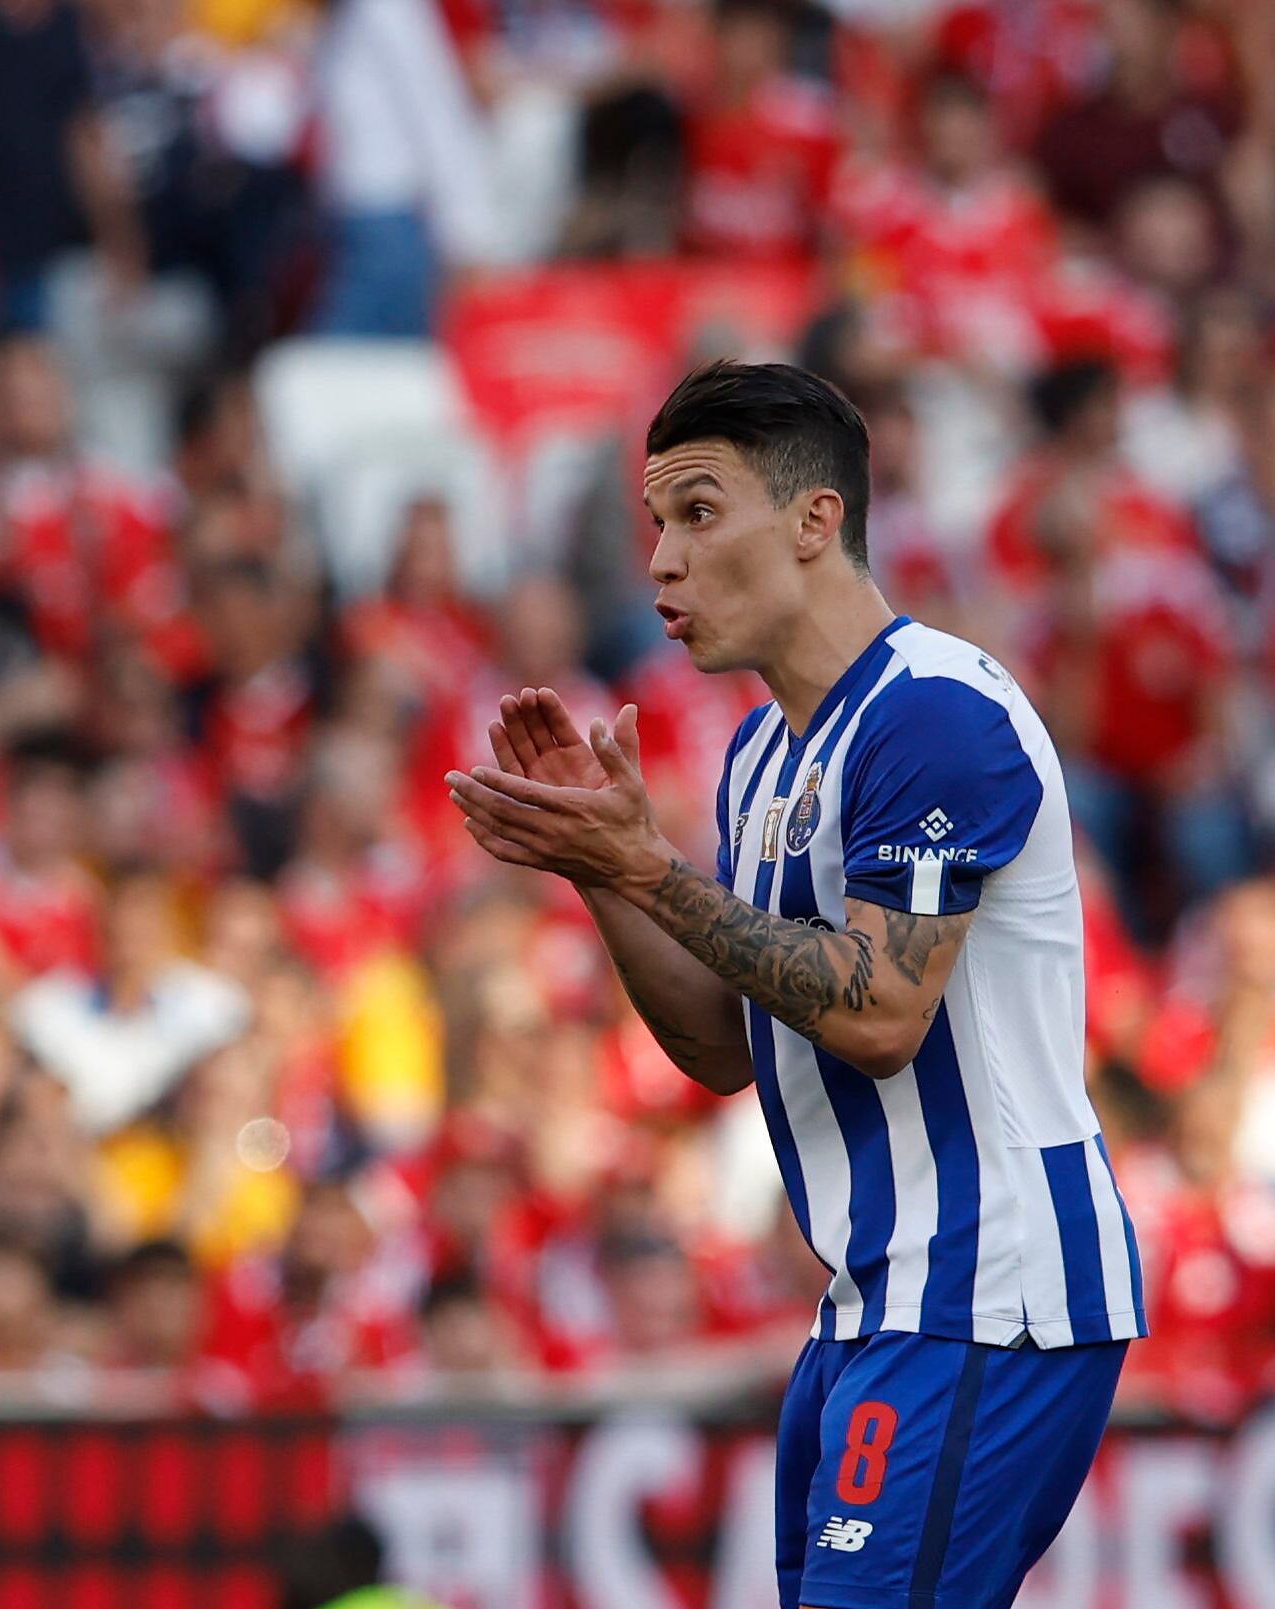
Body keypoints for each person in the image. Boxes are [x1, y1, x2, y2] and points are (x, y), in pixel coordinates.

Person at [446, 361, 1142, 1609]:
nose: (660, 561)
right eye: (655, 522)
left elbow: (877, 1013)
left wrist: (649, 869)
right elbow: (727, 1046)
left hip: (984, 1291)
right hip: (871, 1299)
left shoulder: (933, 712)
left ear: (816, 518)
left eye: (698, 513)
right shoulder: (762, 754)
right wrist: (601, 872)